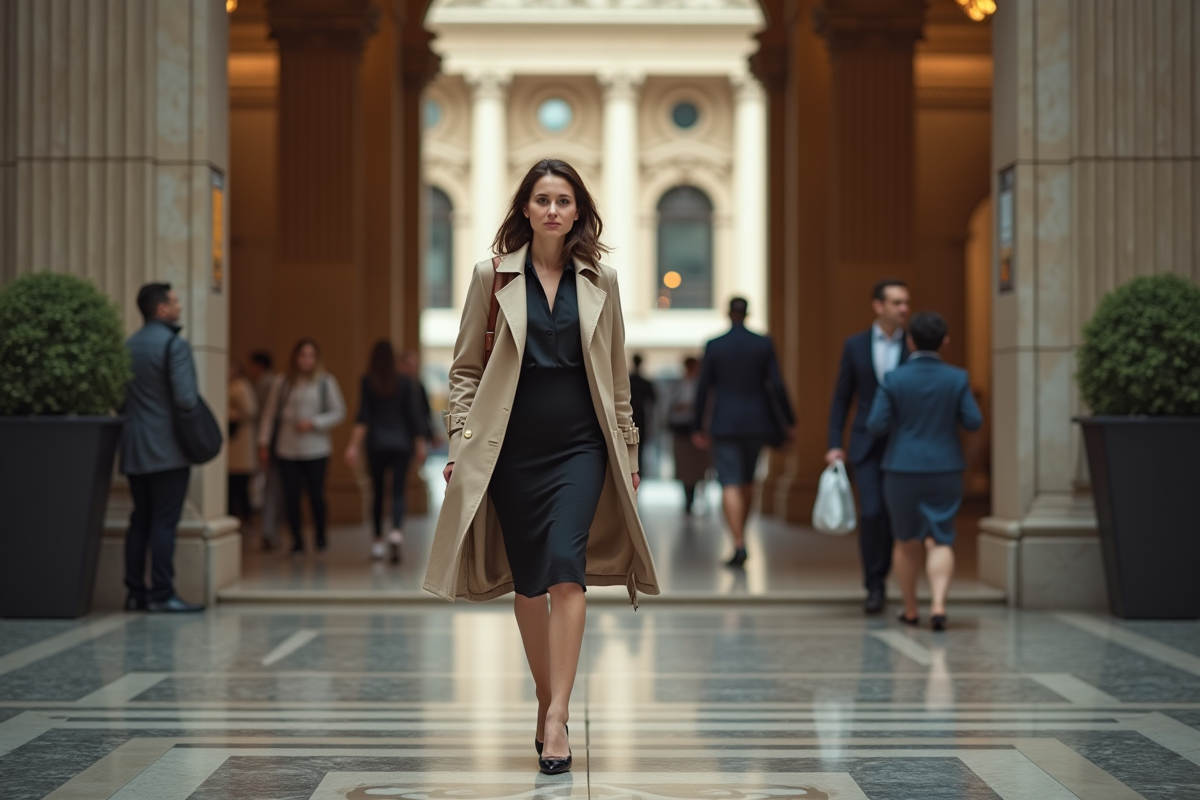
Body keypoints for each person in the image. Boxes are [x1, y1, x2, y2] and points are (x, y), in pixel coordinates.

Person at [424, 158, 660, 776]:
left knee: (565, 573)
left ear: (578, 210)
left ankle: (557, 718)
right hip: (509, 449)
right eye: (541, 200)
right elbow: (465, 373)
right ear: (525, 210)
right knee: (527, 583)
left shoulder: (601, 280)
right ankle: (543, 695)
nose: (553, 210)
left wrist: (628, 454)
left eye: (563, 200)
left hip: (582, 446)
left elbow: (616, 380)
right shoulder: (489, 277)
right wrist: (458, 447)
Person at [866, 311, 982, 631]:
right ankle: (940, 606)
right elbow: (973, 421)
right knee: (940, 538)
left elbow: (875, 425)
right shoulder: (957, 378)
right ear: (945, 341)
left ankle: (912, 609)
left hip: (901, 467)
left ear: (911, 340)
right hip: (946, 467)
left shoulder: (893, 378)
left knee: (905, 540)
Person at [118, 282, 205, 612]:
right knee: (165, 521)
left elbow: (118, 398)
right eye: (175, 301)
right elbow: (185, 399)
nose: (179, 305)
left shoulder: (127, 346)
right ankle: (162, 594)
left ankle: (135, 592)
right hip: (168, 450)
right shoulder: (173, 345)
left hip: (134, 447)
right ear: (162, 309)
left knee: (140, 518)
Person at [826, 278, 911, 614]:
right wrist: (834, 443)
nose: (903, 308)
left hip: (904, 444)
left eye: (906, 302)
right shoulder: (856, 345)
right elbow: (842, 398)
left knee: (895, 516)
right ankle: (874, 585)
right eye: (896, 302)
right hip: (865, 444)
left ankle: (895, 579)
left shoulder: (915, 344)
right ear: (878, 306)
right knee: (873, 512)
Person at [692, 297, 795, 567]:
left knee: (729, 481)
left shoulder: (715, 345)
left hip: (724, 422)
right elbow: (777, 384)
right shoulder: (763, 343)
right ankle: (742, 536)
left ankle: (738, 541)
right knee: (748, 481)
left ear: (728, 314)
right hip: (756, 421)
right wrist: (789, 420)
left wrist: (697, 425)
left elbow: (704, 388)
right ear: (748, 314)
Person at [258, 339, 347, 554]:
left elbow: (339, 412)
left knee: (316, 495)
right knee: (291, 496)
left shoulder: (325, 381)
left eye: (310, 355)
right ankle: (296, 539)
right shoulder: (282, 382)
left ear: (316, 359)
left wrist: (314, 423)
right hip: (287, 449)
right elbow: (270, 414)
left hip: (316, 449)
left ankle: (320, 534)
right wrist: (263, 442)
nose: (305, 360)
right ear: (295, 358)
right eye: (301, 355)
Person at [344, 340, 429, 563]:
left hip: (376, 445)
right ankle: (396, 532)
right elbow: (414, 416)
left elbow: (363, 416)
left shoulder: (367, 381)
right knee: (399, 490)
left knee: (378, 493)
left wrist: (352, 446)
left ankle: (378, 542)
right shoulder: (405, 382)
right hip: (401, 444)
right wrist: (420, 445)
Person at [247, 350, 282, 549]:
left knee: (271, 486)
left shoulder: (268, 384)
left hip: (275, 442)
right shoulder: (272, 382)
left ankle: (270, 531)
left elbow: (265, 415)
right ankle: (270, 531)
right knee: (272, 487)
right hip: (273, 441)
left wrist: (263, 442)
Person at [668, 355, 709, 514]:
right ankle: (688, 498)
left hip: (697, 430)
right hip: (681, 431)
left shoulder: (702, 385)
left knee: (699, 467)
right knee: (684, 467)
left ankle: (697, 496)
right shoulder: (679, 385)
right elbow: (670, 406)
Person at [227, 361, 259, 522]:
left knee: (239, 484)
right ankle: (239, 514)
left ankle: (246, 515)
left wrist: (228, 414)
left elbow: (249, 411)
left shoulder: (240, 387)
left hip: (240, 441)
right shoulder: (231, 385)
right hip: (233, 443)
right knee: (233, 484)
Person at [629, 354, 657, 471]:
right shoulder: (644, 382)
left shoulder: (627, 380)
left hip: (629, 417)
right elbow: (653, 401)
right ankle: (638, 472)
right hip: (641, 417)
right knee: (640, 450)